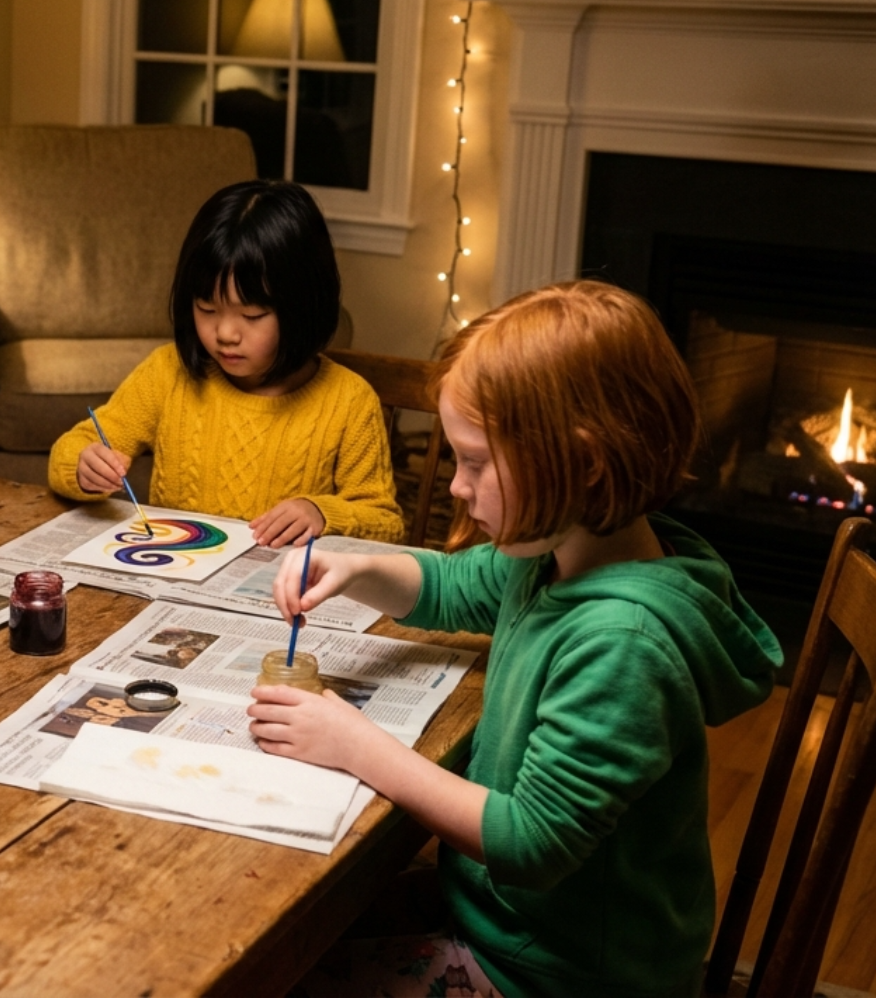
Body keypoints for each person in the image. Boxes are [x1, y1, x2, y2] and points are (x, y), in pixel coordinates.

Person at [250, 280, 782, 997]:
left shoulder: (623, 642)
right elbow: (450, 586)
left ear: (583, 464)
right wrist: (357, 567)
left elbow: (530, 841)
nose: (456, 487)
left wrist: (353, 743)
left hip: (563, 974)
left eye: (475, 462)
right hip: (506, 919)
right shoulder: (561, 550)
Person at [47, 180, 402, 547]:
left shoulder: (349, 401)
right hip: (172, 569)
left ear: (302, 307)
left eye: (252, 315)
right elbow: (72, 448)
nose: (226, 333)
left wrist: (323, 513)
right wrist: (83, 466)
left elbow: (386, 523)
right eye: (207, 309)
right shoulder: (167, 373)